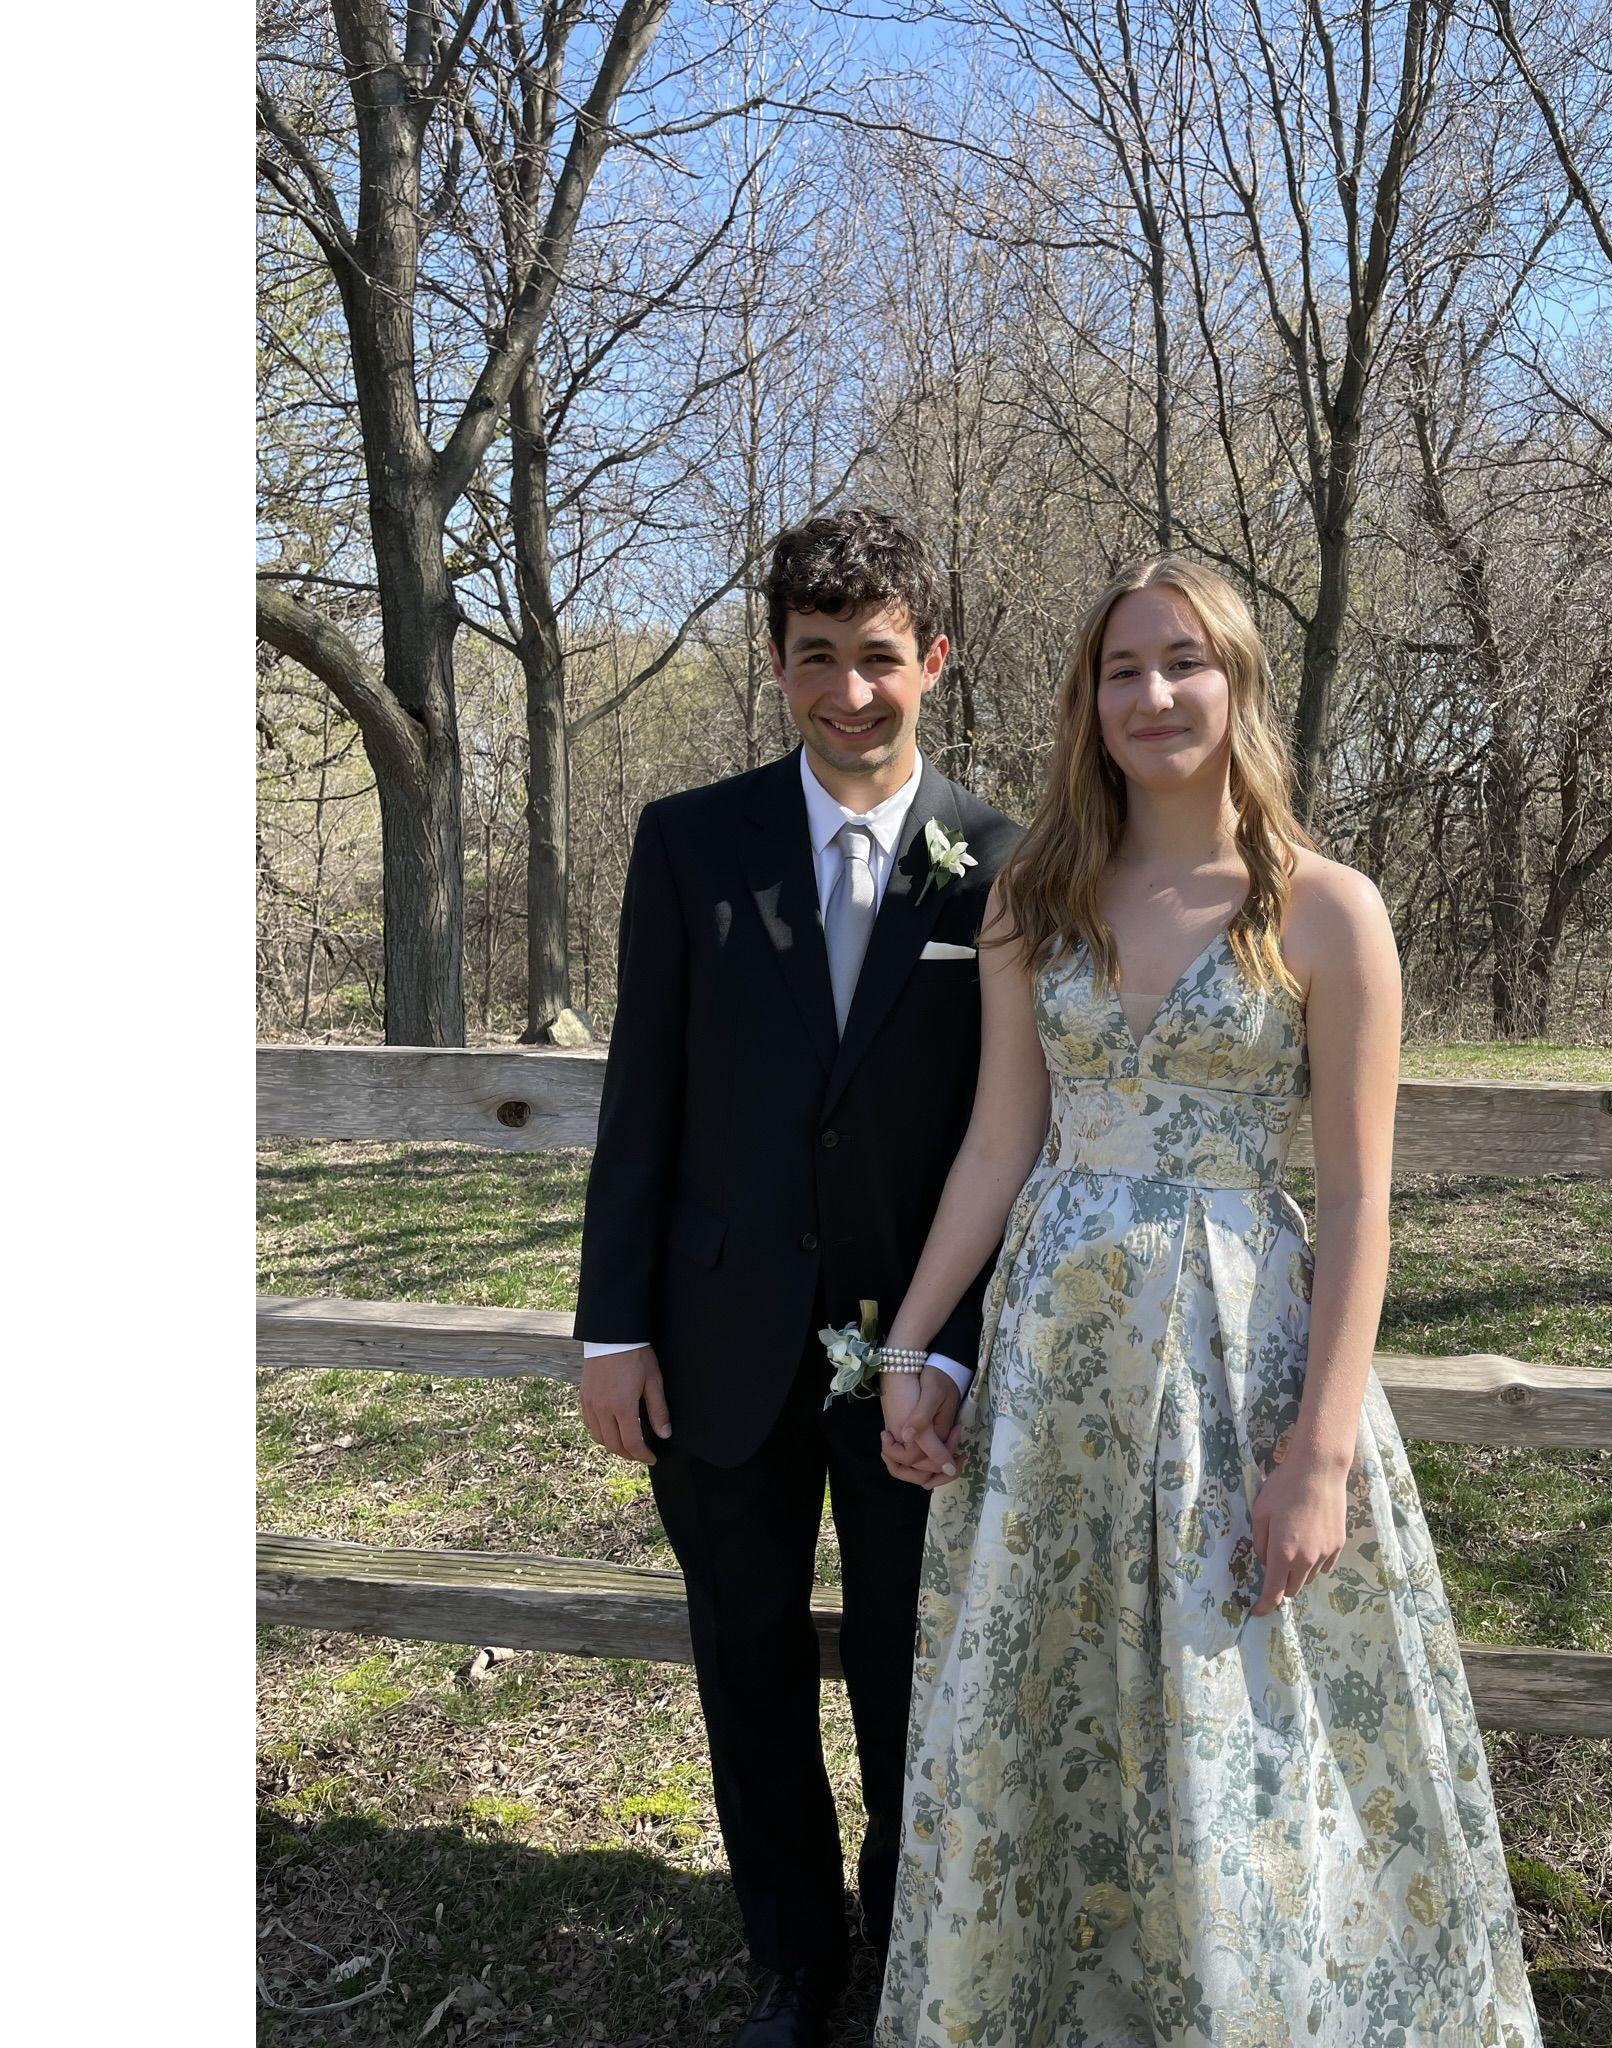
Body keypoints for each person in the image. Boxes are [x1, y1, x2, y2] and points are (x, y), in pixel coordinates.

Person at [868, 557, 1544, 2045]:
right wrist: (915, 1345)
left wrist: (1320, 1456)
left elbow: (1363, 1199)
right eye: (1122, 669)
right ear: (1087, 701)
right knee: (1057, 1688)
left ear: (1236, 683)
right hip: (1057, 1365)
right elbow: (1000, 1141)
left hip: (1245, 1359)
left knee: (1244, 1700)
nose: (1152, 694)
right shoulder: (1031, 901)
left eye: (1184, 663)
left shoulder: (1325, 910)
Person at [572, 507, 1024, 2048]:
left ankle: (908, 1941)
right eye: (817, 659)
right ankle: (791, 1955)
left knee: (915, 1671)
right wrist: (615, 1326)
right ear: (777, 664)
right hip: (716, 1343)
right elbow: (645, 1096)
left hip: (920, 1359)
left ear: (934, 660)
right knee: (745, 1657)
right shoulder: (689, 843)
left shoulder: (1012, 869)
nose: (851, 693)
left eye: (880, 659)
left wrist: (950, 1341)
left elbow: (1017, 1131)